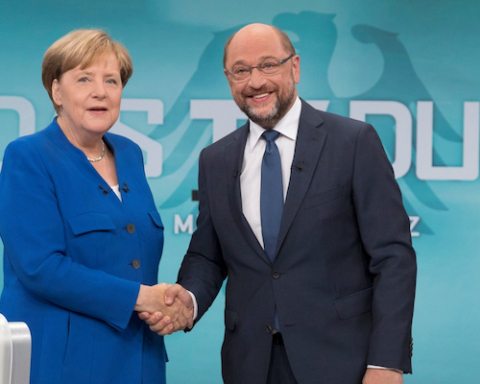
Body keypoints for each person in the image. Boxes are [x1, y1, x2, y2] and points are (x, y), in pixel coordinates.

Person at [145, 23, 417, 384]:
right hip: (250, 365)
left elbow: (393, 258)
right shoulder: (216, 160)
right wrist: (187, 301)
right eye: (241, 70)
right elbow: (208, 255)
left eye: (268, 65)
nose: (255, 81)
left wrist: (386, 363)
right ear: (229, 79)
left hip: (343, 363)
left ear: (295, 67)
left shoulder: (353, 143)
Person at [0, 29, 192, 384]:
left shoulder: (131, 154)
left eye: (112, 80)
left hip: (139, 358)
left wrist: (164, 304)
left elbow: (133, 257)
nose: (100, 91)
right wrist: (141, 297)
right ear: (56, 90)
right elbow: (39, 267)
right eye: (84, 79)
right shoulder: (27, 156)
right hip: (63, 363)